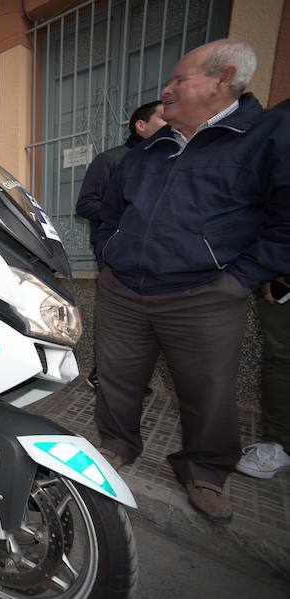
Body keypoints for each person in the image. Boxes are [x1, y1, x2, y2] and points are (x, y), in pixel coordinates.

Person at [93, 39, 290, 523]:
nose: (167, 89)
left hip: (204, 295)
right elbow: (110, 210)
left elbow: (285, 219)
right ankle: (116, 444)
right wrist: (109, 254)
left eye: (180, 79)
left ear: (225, 78)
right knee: (116, 378)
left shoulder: (266, 136)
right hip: (123, 288)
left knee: (208, 391)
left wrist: (241, 278)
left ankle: (204, 471)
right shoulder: (150, 148)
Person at [76, 100, 166, 389]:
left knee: (148, 318)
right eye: (163, 118)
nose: (172, 122)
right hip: (115, 251)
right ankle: (102, 374)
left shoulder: (170, 159)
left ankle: (131, 377)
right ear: (141, 126)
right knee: (118, 316)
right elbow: (85, 204)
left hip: (157, 254)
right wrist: (129, 217)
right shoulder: (111, 159)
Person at [236, 97, 290, 480]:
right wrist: (271, 266)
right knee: (282, 359)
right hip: (282, 275)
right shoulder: (281, 121)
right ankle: (279, 444)